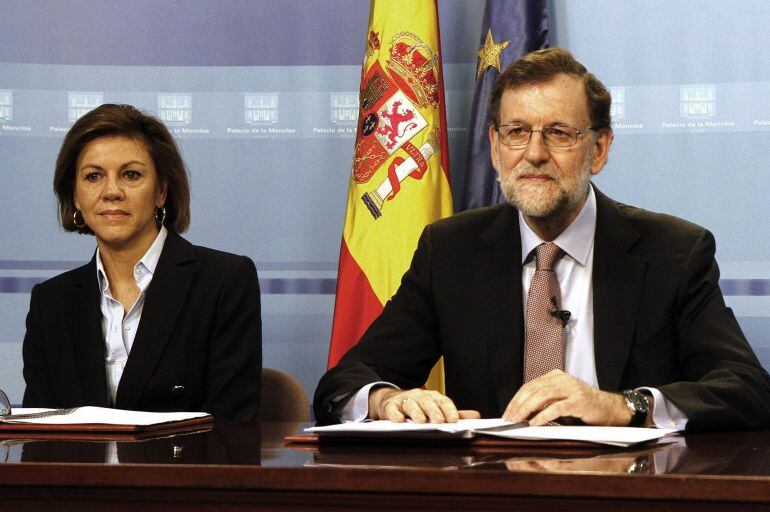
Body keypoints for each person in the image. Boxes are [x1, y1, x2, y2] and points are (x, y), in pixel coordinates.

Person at [314, 48, 770, 432]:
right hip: (492, 493)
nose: (534, 153)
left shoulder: (672, 252)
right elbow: (342, 385)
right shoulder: (451, 251)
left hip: (626, 491)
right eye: (517, 132)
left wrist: (623, 406)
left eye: (558, 133)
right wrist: (385, 401)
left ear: (600, 147)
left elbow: (747, 390)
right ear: (494, 147)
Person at [22, 104, 261, 421]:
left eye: (131, 175)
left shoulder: (224, 281)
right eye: (93, 176)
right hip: (79, 472)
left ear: (162, 190)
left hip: (184, 470)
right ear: (76, 196)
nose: (111, 191)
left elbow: (232, 429)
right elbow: (41, 435)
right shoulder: (51, 301)